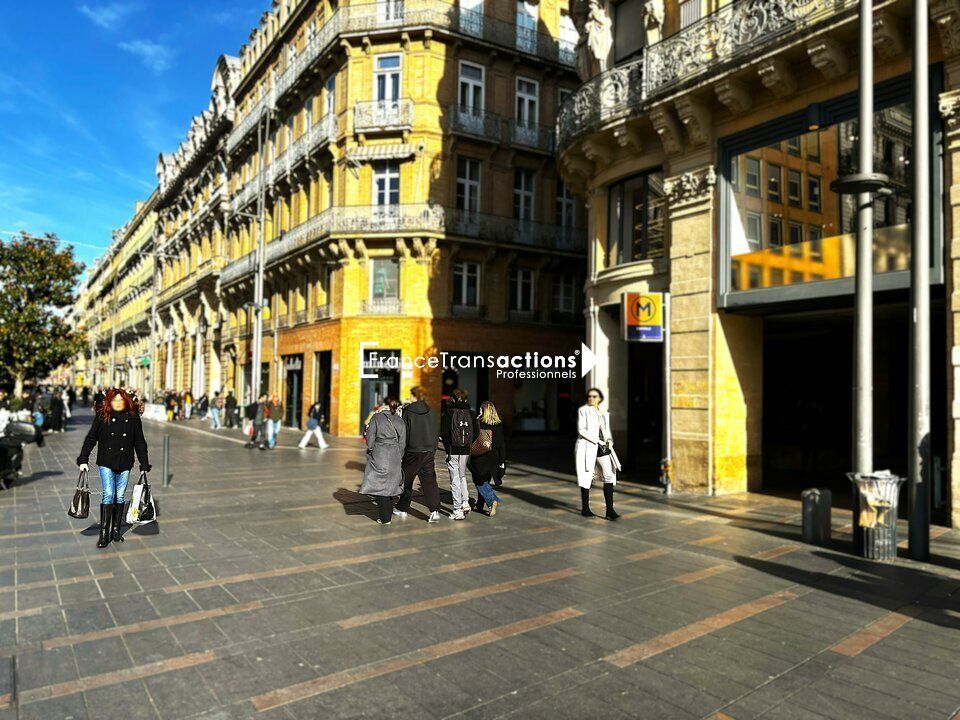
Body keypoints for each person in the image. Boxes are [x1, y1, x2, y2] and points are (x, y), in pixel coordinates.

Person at [76, 388, 151, 548]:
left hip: (125, 462)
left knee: (120, 496)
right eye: (114, 400)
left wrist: (144, 463)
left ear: (125, 401)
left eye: (120, 400)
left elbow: (139, 442)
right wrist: (83, 459)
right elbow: (91, 438)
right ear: (109, 401)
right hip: (106, 461)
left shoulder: (132, 418)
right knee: (109, 494)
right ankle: (104, 533)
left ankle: (116, 530)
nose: (118, 403)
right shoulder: (103, 416)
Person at [395, 386, 441, 522]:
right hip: (428, 451)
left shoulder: (408, 411)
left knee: (406, 480)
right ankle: (435, 511)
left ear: (414, 395)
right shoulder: (432, 411)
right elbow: (435, 431)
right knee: (430, 481)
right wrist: (433, 448)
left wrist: (402, 452)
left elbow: (405, 433)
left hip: (413, 451)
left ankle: (401, 508)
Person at [360, 397, 406, 524]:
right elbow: (403, 442)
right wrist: (399, 455)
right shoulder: (400, 420)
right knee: (391, 485)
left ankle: (385, 518)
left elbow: (370, 438)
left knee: (380, 485)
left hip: (380, 452)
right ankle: (388, 514)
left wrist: (372, 448)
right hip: (395, 454)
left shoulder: (376, 417)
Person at [575, 388, 619, 520]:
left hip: (602, 448)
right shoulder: (583, 410)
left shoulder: (603, 412)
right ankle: (585, 508)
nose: (591, 398)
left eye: (594, 396)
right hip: (587, 446)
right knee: (586, 476)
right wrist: (597, 440)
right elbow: (581, 430)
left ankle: (610, 510)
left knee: (609, 475)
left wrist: (609, 441)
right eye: (589, 396)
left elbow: (606, 431)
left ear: (599, 398)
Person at [440, 388, 477, 520]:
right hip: (466, 450)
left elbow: (444, 433)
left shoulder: (449, 413)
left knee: (454, 478)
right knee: (462, 475)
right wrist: (468, 445)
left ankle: (457, 509)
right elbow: (476, 433)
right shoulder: (472, 413)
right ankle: (465, 502)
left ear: (454, 399)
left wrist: (447, 448)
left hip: (453, 450)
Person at [468, 401, 506, 516]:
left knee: (479, 481)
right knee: (485, 480)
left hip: (480, 457)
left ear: (483, 411)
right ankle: (480, 505)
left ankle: (492, 500)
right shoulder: (498, 424)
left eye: (481, 409)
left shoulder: (479, 422)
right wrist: (502, 460)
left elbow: (473, 439)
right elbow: (501, 444)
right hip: (494, 458)